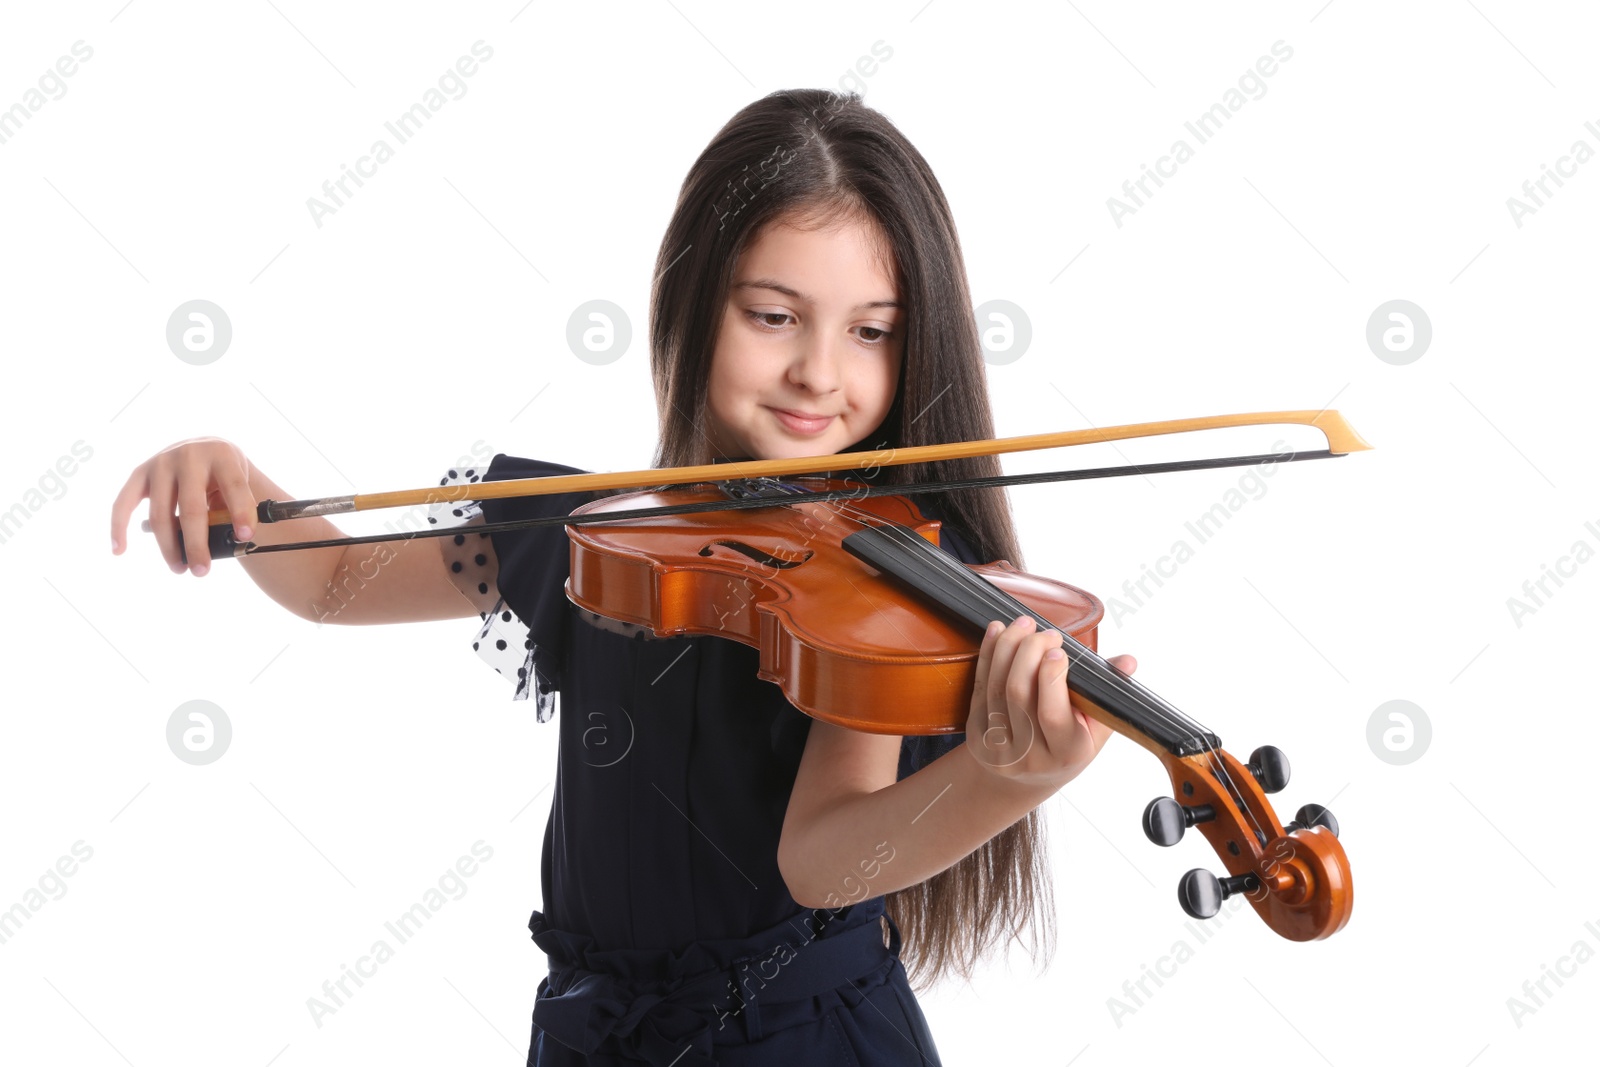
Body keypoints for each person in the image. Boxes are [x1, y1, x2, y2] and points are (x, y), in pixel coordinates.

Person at [110, 88, 1136, 1066]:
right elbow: (336, 579)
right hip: (591, 1035)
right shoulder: (593, 533)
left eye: (871, 330)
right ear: (687, 300)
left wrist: (1006, 776)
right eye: (774, 315)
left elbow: (824, 860)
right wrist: (235, 484)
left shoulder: (886, 574)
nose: (822, 371)